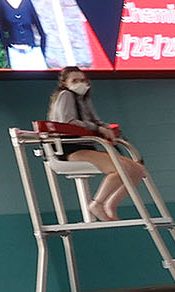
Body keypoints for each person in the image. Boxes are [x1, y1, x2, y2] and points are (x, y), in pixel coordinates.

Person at [42, 68, 149, 222]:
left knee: (138, 170)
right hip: (71, 149)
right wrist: (98, 129)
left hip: (87, 146)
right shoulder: (66, 95)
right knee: (121, 169)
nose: (80, 84)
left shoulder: (83, 99)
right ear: (64, 83)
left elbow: (96, 121)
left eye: (82, 80)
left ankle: (111, 204)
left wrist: (106, 128)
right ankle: (97, 204)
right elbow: (68, 122)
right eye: (74, 81)